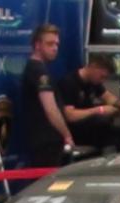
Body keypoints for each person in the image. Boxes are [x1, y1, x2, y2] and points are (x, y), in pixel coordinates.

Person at [21, 25, 74, 167]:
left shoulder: (37, 68)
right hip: (46, 142)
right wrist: (67, 135)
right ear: (37, 45)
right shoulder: (39, 71)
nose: (55, 48)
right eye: (50, 44)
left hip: (44, 141)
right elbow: (51, 109)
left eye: (56, 44)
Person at [58, 54, 120, 150]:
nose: (102, 81)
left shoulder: (93, 82)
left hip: (90, 129)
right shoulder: (69, 83)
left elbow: (107, 97)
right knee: (103, 124)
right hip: (75, 131)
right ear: (94, 66)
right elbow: (70, 116)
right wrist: (99, 110)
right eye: (102, 77)